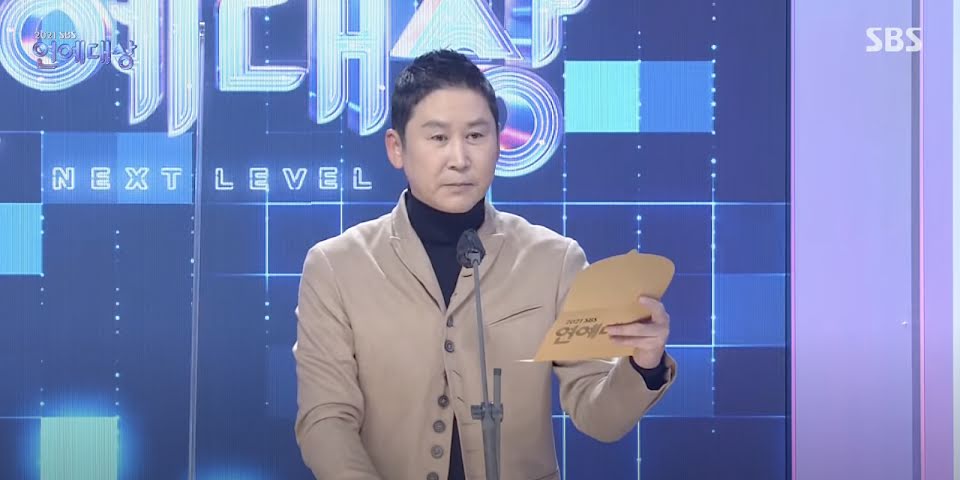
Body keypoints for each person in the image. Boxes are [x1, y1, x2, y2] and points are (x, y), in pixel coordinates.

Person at [293, 49, 677, 480]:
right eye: (438, 138)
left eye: (476, 135)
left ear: (498, 142)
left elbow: (599, 417)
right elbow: (326, 420)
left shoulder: (553, 260)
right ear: (396, 148)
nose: (459, 158)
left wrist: (643, 364)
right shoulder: (337, 267)